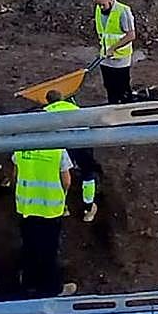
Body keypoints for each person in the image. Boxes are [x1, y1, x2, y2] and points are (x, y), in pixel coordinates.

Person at [12, 120, 77, 298]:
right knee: (48, 250)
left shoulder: (21, 147)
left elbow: (16, 173)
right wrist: (62, 197)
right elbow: (67, 181)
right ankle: (51, 288)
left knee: (29, 246)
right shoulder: (57, 149)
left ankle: (28, 284)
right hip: (50, 209)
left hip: (26, 207)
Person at [44, 90, 101, 222]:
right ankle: (88, 209)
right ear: (63, 98)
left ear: (48, 100)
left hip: (61, 144)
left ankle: (63, 207)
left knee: (61, 174)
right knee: (88, 173)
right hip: (82, 142)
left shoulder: (45, 112)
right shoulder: (76, 108)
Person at [94, 0, 136, 104]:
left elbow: (131, 35)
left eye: (103, 5)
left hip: (120, 59)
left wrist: (113, 48)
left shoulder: (123, 11)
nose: (101, 8)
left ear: (110, 0)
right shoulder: (98, 10)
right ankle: (112, 106)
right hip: (105, 58)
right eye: (99, 5)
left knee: (122, 88)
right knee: (109, 86)